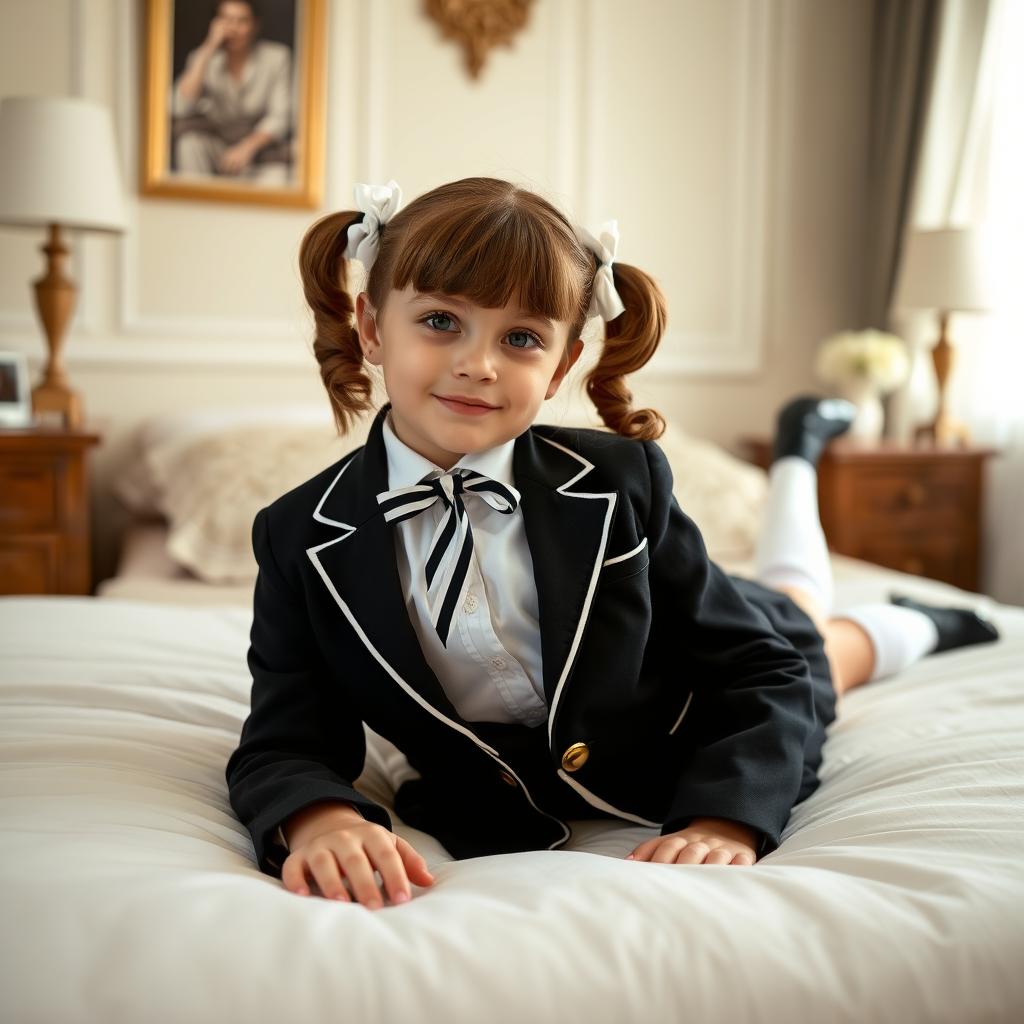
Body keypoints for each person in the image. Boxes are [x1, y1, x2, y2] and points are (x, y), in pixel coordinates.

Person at [225, 177, 1000, 910]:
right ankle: (803, 472)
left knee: (816, 636)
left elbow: (760, 669)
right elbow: (282, 743)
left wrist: (725, 817)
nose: (478, 363)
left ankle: (881, 571)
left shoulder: (623, 480)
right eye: (439, 321)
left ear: (563, 365)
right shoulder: (297, 536)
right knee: (801, 604)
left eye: (521, 337)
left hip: (686, 697)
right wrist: (320, 817)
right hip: (511, 788)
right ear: (370, 327)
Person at [171, 0, 292, 185]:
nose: (233, 28)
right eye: (226, 20)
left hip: (262, 150)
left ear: (255, 25)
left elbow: (280, 116)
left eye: (242, 21)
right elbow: (180, 106)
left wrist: (247, 147)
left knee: (279, 176)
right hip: (218, 147)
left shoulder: (276, 57)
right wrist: (209, 46)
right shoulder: (203, 58)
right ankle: (195, 208)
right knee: (189, 144)